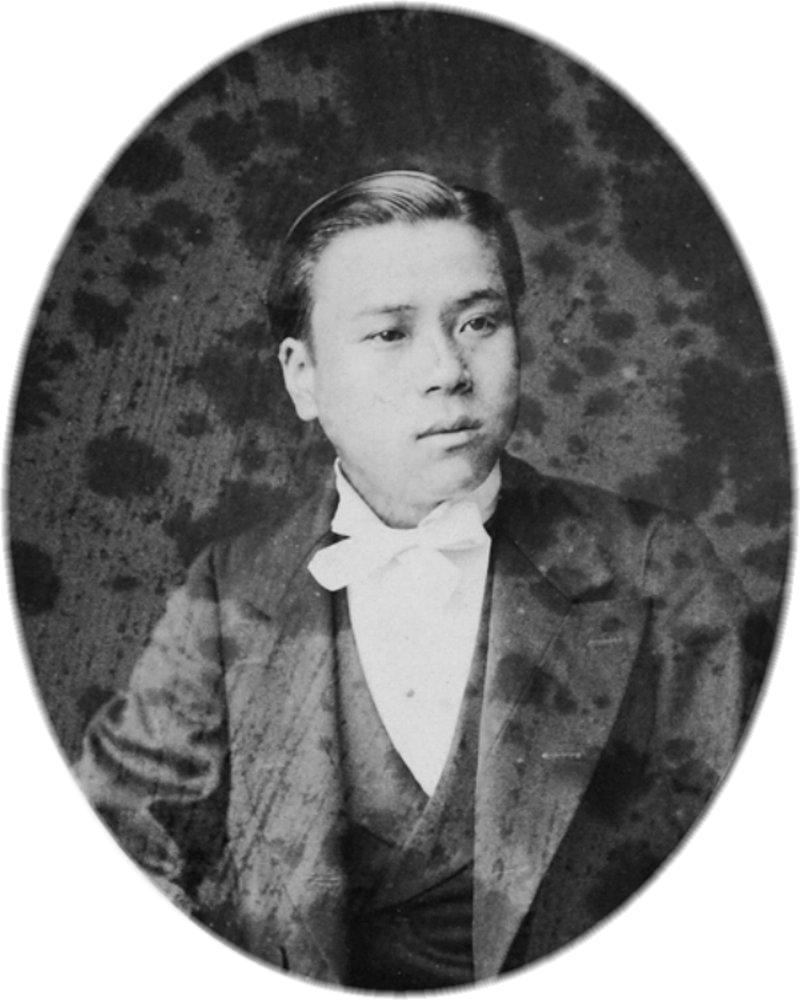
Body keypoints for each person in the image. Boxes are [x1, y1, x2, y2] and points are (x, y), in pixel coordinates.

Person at [76, 171, 758, 989]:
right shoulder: (231, 592)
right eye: (390, 334)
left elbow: (746, 876)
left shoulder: (654, 570)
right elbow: (111, 856)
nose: (447, 369)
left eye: (479, 322)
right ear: (303, 376)